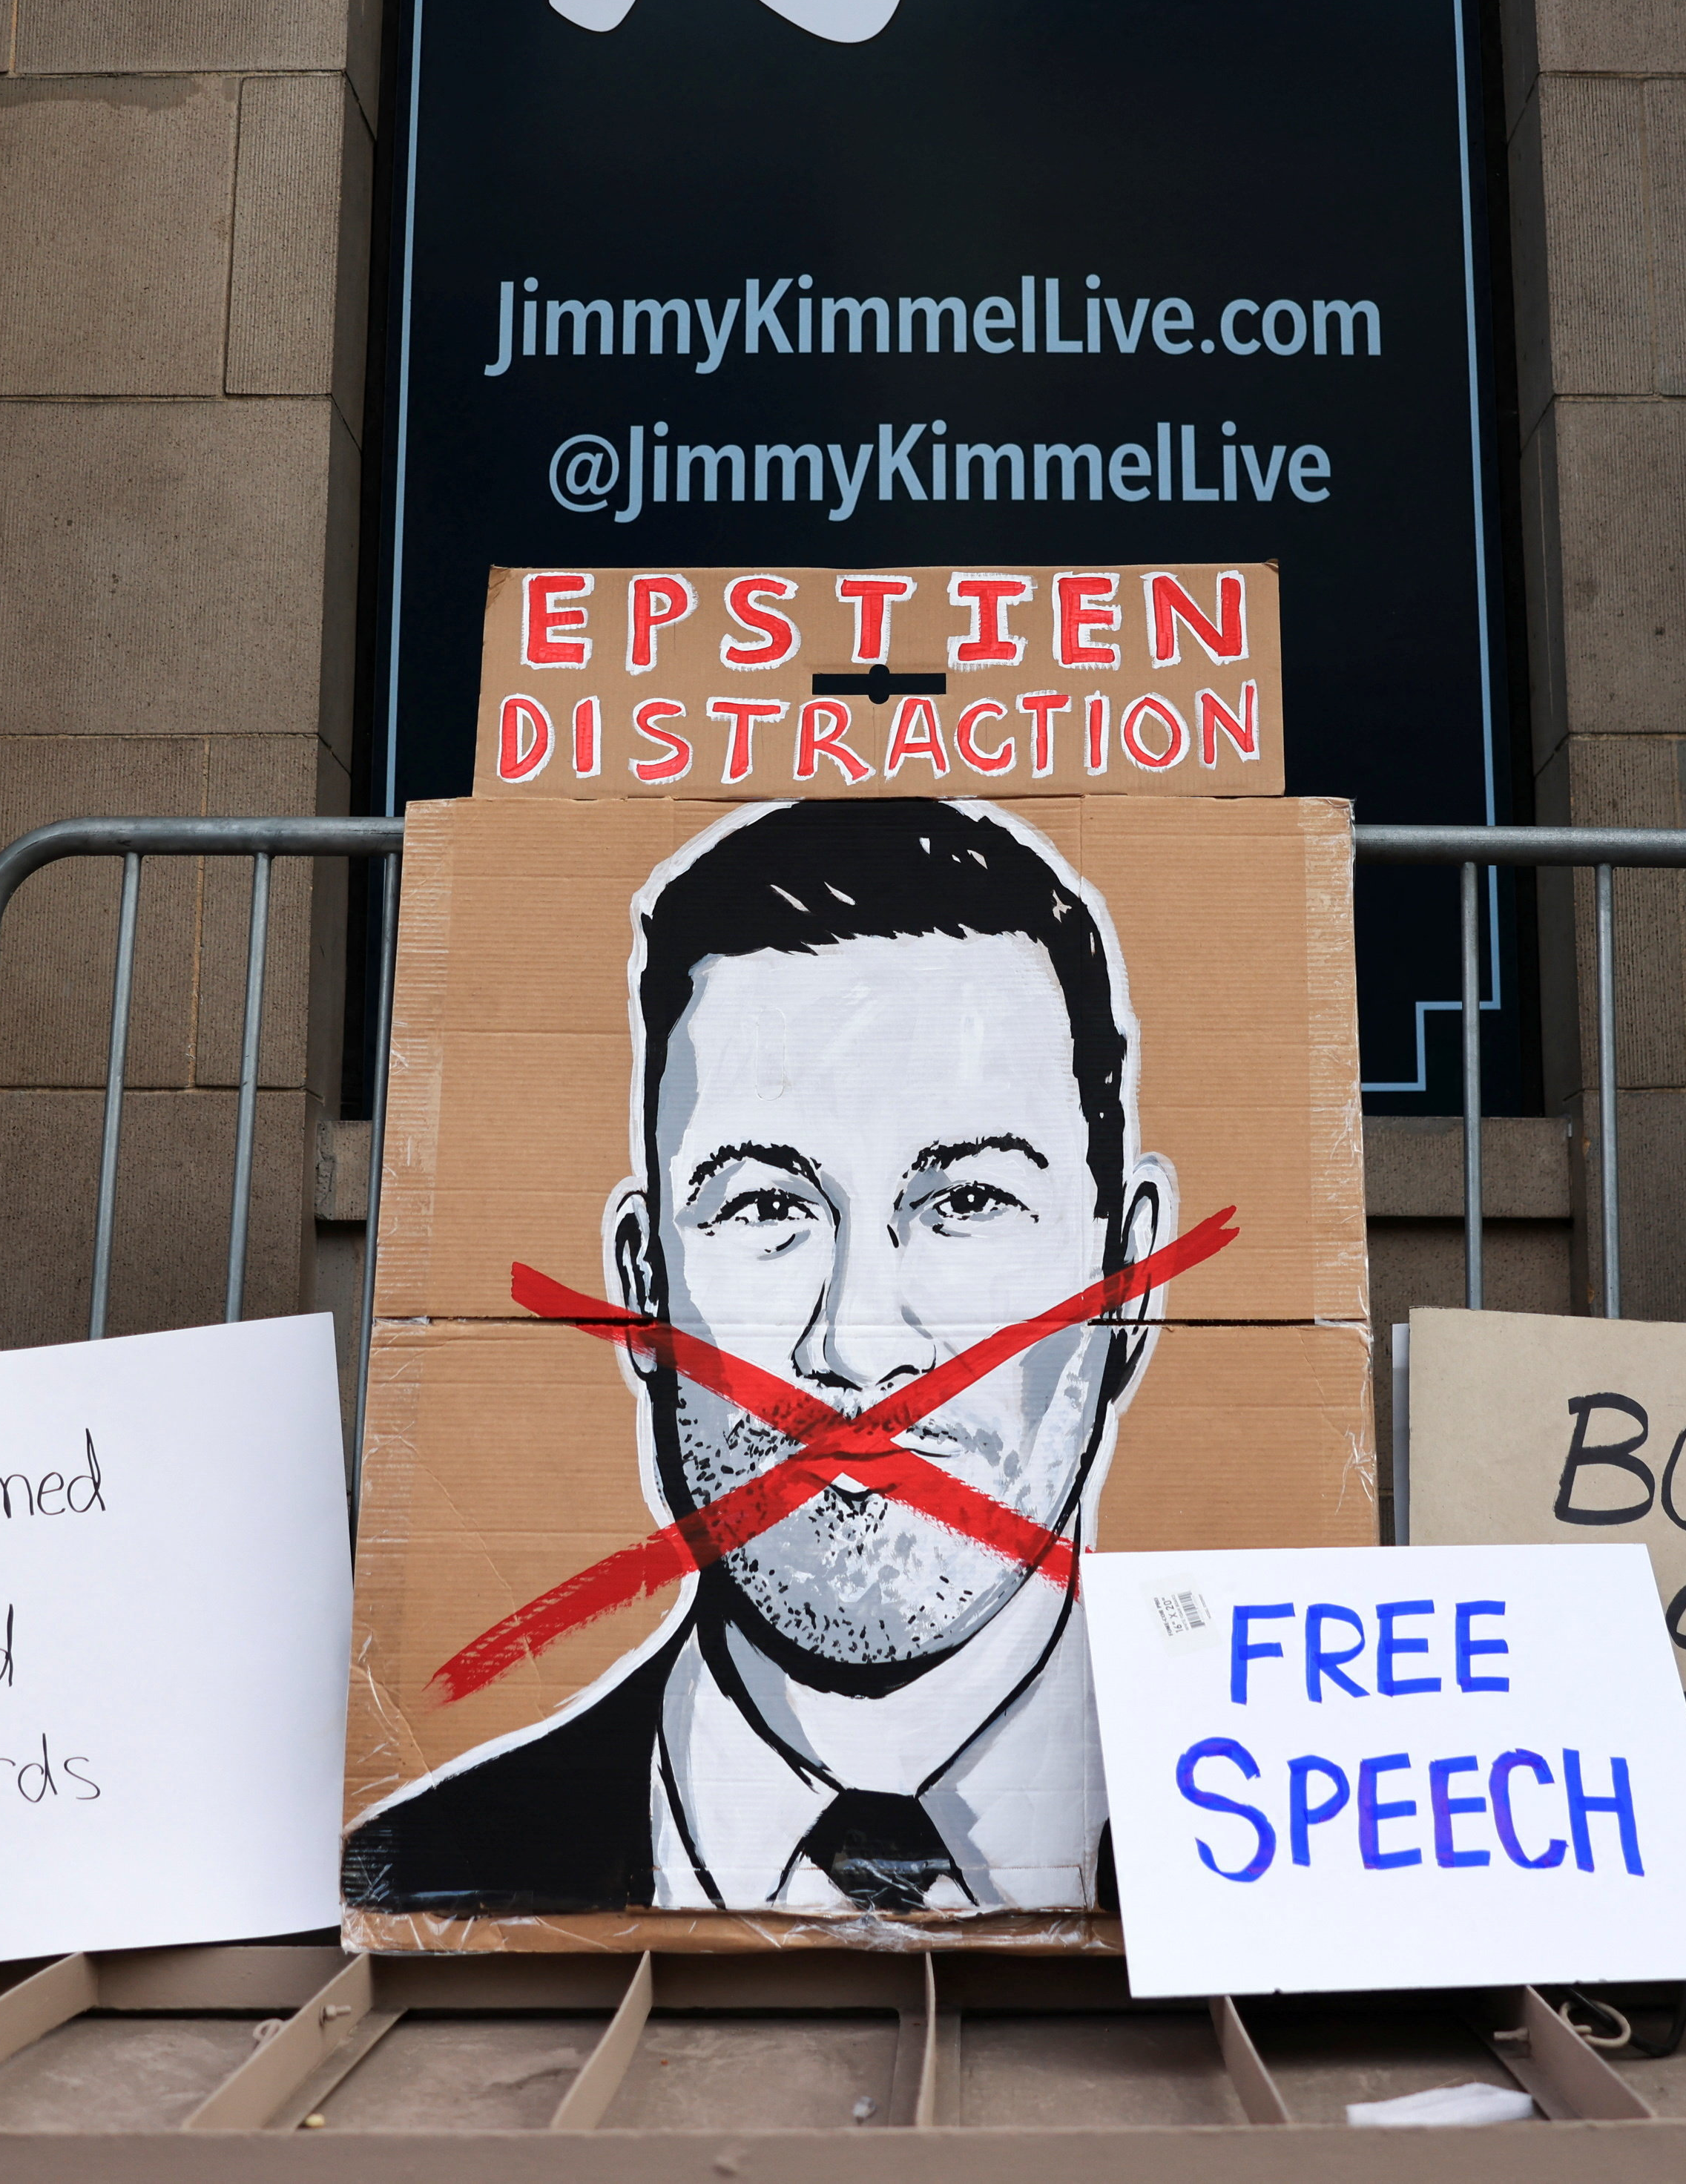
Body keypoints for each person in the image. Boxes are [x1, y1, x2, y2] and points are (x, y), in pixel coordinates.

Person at [346, 797, 1178, 1916]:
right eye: (766, 1204)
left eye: (969, 1200)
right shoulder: (423, 1884)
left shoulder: (1301, 1859)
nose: (856, 1345)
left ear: (1127, 1273)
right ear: (644, 1287)